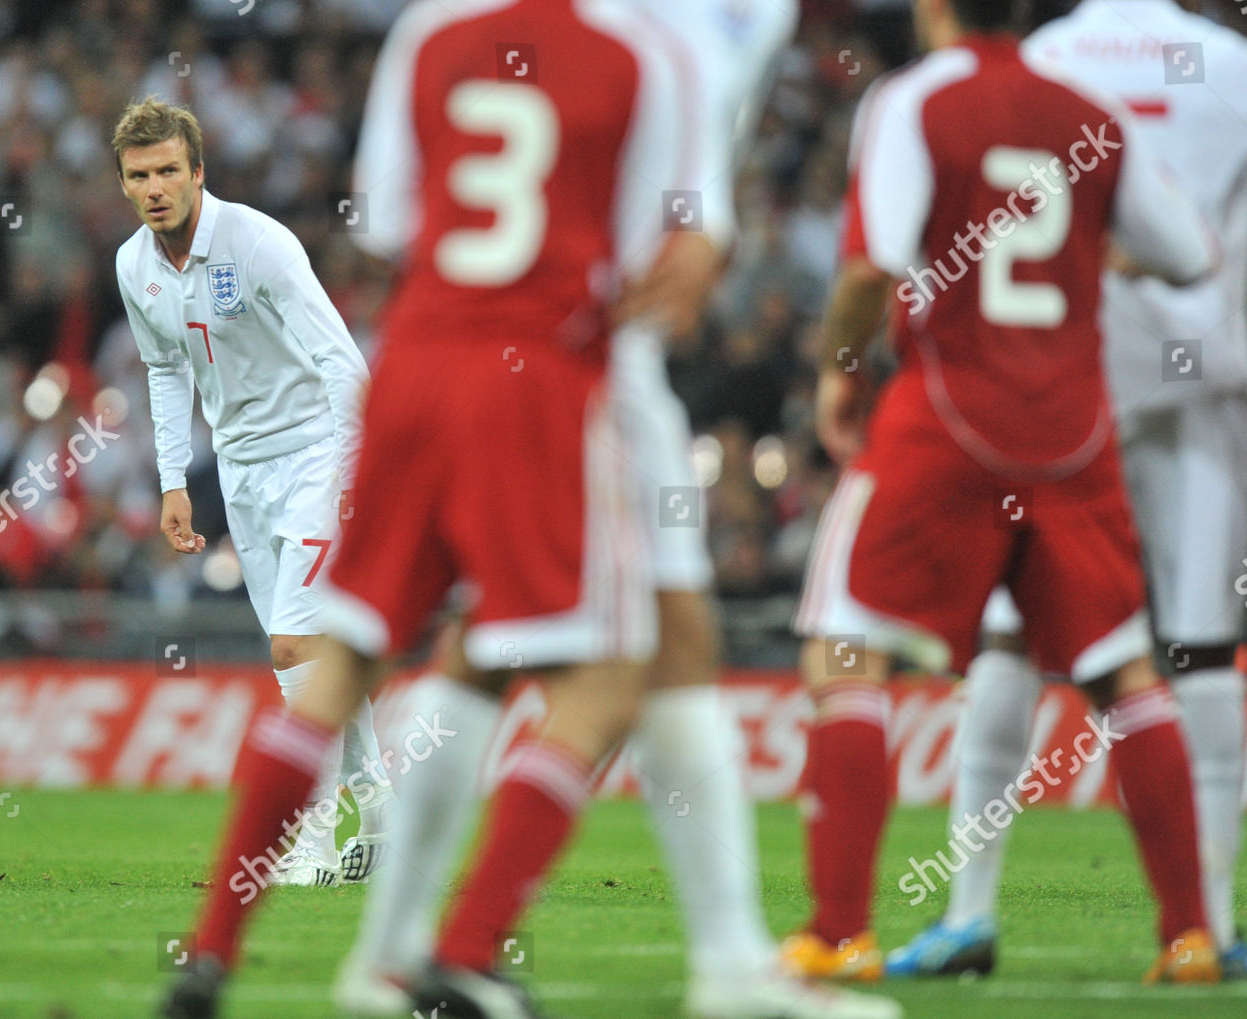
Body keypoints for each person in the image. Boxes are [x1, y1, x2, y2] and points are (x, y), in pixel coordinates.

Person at [156, 2, 779, 1016]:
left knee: (347, 657)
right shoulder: (647, 55)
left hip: (414, 362)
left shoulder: (430, 32)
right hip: (542, 378)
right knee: (617, 670)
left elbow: (393, 221)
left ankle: (212, 946)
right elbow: (675, 257)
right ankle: (465, 945)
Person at [329, 2, 891, 1017]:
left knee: (615, 641)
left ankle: (402, 949)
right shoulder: (689, 31)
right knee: (586, 645)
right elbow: (685, 238)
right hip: (586, 360)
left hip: (533, 342)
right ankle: (438, 949)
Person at [886, 0, 1247, 982]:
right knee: (1203, 649)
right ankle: (1206, 931)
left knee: (1013, 637)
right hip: (1203, 377)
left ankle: (966, 913)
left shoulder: (1043, 60)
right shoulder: (1227, 61)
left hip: (1066, 388)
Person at [781, 0, 1224, 985]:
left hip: (944, 415)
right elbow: (1194, 254)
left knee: (846, 650)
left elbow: (871, 267)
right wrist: (1091, 248)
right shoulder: (1090, 111)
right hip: (1072, 430)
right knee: (1123, 673)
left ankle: (840, 931)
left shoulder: (912, 101)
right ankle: (1190, 934)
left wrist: (842, 372)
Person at [112, 97, 392, 890]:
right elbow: (165, 370)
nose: (156, 186)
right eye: (140, 175)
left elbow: (343, 365)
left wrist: (348, 474)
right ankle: (374, 803)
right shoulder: (135, 267)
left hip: (316, 454)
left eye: (169, 169)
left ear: (199, 172)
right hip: (239, 471)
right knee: (308, 652)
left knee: (293, 645)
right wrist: (173, 479)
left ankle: (308, 843)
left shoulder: (259, 242)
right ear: (124, 184)